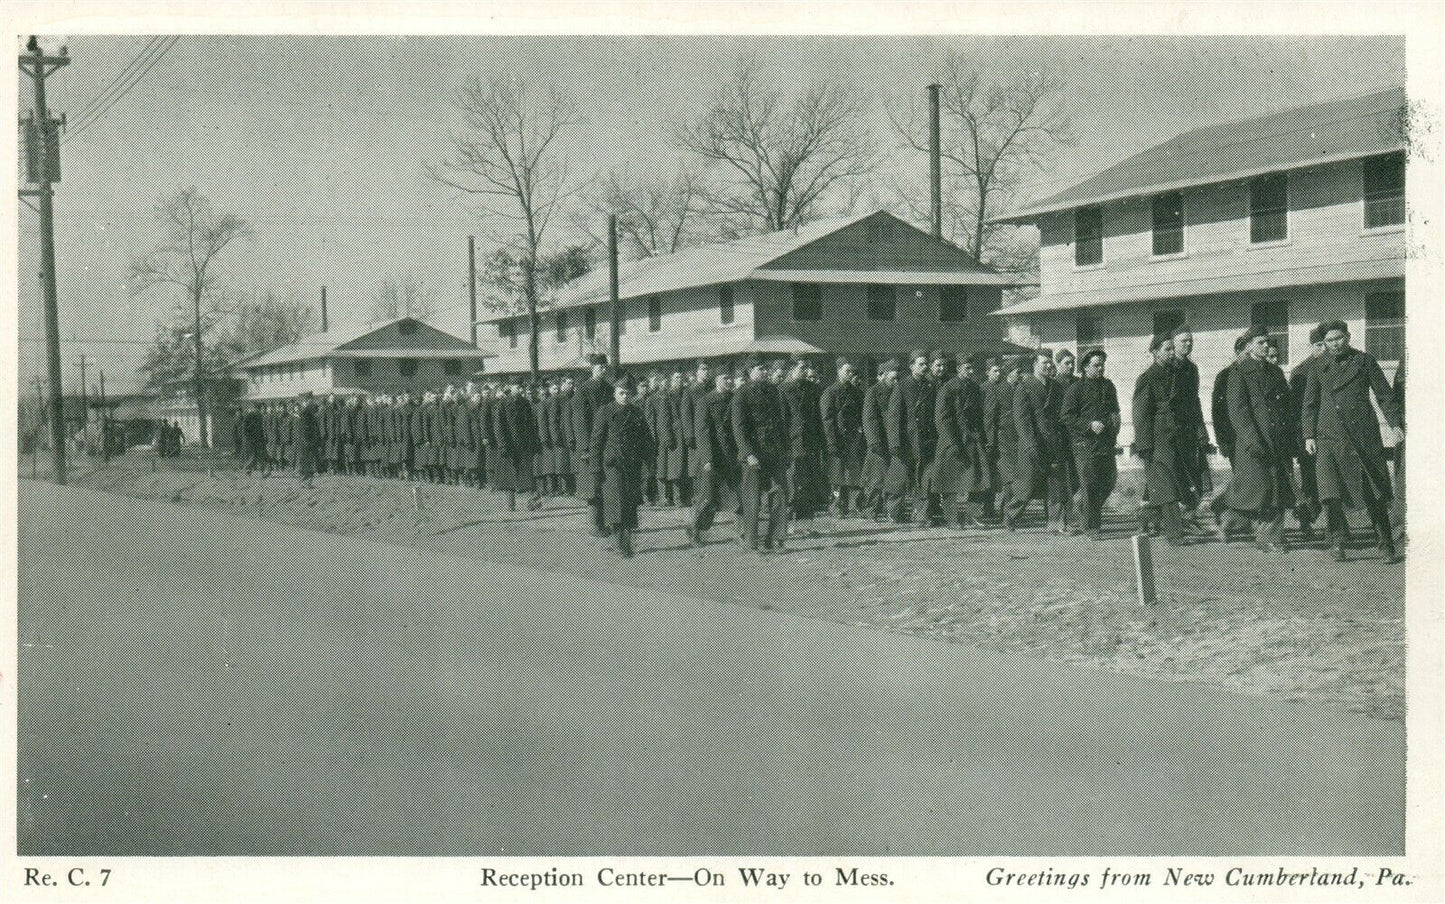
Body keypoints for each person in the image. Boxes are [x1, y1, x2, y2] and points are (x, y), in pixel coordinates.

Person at [1302, 320, 1403, 563]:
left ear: (1347, 337)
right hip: (1329, 436)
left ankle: (1386, 545)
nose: (1335, 344)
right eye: (1329, 340)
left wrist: (1395, 423)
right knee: (1330, 492)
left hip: (1362, 437)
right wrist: (1308, 435)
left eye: (1339, 338)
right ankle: (1337, 542)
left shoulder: (1364, 361)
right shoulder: (1317, 366)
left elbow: (1384, 395)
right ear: (1324, 343)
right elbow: (1310, 404)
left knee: (1373, 492)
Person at [1220, 325, 1295, 552]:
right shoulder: (1239, 372)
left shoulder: (1275, 372)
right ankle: (1227, 518)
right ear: (1249, 346)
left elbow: (1286, 407)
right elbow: (1238, 411)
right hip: (1254, 441)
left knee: (1276, 489)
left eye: (1267, 342)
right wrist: (1252, 440)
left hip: (1277, 441)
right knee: (1256, 490)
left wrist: (1289, 437)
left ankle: (1270, 537)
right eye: (1260, 342)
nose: (1265, 346)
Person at [1132, 333, 1192, 544]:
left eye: (1172, 348)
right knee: (1167, 487)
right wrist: (1144, 446)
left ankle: (1147, 514)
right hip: (1157, 440)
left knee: (1169, 484)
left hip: (1176, 438)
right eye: (1167, 349)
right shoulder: (1147, 378)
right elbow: (1140, 414)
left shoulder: (1177, 374)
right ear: (1155, 352)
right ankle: (1175, 534)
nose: (1172, 353)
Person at [1007, 352, 1075, 534]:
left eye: (1050, 363)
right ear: (1035, 364)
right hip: (1033, 442)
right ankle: (1010, 513)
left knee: (1056, 483)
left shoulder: (1056, 387)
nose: (1048, 366)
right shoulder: (1024, 387)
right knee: (1027, 485)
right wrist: (1030, 444)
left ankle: (1055, 523)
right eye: (1044, 362)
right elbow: (1021, 419)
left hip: (1053, 441)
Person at [590, 374, 655, 557]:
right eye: (621, 393)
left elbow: (647, 440)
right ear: (614, 393)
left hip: (632, 464)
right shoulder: (605, 412)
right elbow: (596, 442)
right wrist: (595, 468)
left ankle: (624, 543)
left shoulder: (636, 412)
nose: (625, 397)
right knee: (616, 503)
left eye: (628, 393)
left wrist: (650, 463)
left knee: (630, 503)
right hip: (613, 465)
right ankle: (621, 543)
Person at [732, 355, 790, 553]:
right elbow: (739, 428)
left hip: (774, 451)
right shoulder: (741, 394)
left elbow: (780, 423)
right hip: (753, 454)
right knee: (752, 498)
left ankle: (775, 539)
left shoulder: (773, 391)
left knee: (779, 493)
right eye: (760, 369)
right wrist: (748, 453)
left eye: (766, 368)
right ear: (750, 371)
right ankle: (750, 540)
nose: (765, 372)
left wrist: (786, 449)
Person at [1060, 348, 1120, 539]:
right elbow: (1066, 417)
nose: (1101, 368)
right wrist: (1089, 425)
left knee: (1109, 481)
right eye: (1096, 365)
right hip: (1084, 444)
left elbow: (1114, 412)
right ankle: (1092, 527)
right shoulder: (1075, 389)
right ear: (1085, 367)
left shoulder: (1108, 386)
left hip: (1105, 443)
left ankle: (1083, 507)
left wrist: (1112, 427)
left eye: (1102, 365)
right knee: (1090, 485)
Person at [933, 352, 990, 529]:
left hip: (972, 440)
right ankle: (952, 518)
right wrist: (952, 443)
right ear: (958, 369)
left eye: (972, 368)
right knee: (951, 483)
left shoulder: (974, 388)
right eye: (967, 368)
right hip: (953, 441)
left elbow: (979, 415)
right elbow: (942, 419)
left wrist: (981, 437)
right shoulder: (948, 389)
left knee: (976, 479)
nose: (971, 371)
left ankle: (972, 516)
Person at [885, 350, 938, 525]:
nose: (924, 367)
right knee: (898, 479)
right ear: (911, 366)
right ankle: (893, 511)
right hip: (906, 441)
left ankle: (921, 514)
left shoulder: (930, 386)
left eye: (926, 364)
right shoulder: (902, 386)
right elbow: (893, 417)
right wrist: (894, 443)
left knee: (923, 479)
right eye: (920, 364)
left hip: (925, 441)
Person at [687, 371, 738, 546]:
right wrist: (707, 458)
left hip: (731, 455)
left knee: (737, 494)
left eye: (731, 378)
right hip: (713, 456)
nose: (729, 381)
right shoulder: (705, 401)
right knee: (707, 496)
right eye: (725, 378)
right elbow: (702, 432)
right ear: (717, 380)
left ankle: (743, 532)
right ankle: (695, 529)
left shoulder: (734, 398)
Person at [1208, 335, 1251, 533]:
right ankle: (1224, 508)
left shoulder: (1254, 373)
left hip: (1252, 437)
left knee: (1248, 480)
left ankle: (1238, 518)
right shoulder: (1225, 376)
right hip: (1233, 439)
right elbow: (1218, 412)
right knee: (1244, 478)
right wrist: (1223, 441)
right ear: (1237, 353)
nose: (1249, 357)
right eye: (1246, 354)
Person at [1287, 326, 1327, 541]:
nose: (1324, 349)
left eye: (1325, 344)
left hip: (1330, 433)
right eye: (1319, 345)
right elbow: (1295, 410)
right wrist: (1303, 439)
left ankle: (1335, 525)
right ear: (1311, 346)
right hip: (1308, 436)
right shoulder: (1301, 371)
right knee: (1311, 482)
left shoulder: (1334, 365)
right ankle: (1304, 520)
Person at [1171, 326, 1212, 523]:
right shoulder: (1169, 367)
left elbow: (1194, 400)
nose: (1188, 344)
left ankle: (1187, 518)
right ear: (1174, 344)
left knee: (1193, 473)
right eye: (1183, 341)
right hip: (1172, 427)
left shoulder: (1192, 368)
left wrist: (1202, 430)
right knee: (1175, 475)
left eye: (1190, 341)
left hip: (1190, 427)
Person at [781, 355, 828, 529]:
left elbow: (819, 418)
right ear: (792, 369)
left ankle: (804, 525)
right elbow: (781, 420)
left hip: (811, 442)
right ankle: (784, 525)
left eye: (807, 368)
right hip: (793, 442)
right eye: (802, 368)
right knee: (792, 483)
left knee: (809, 484)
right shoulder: (783, 390)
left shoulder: (813, 389)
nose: (806, 371)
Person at [571, 354, 614, 534]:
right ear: (592, 369)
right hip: (590, 444)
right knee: (592, 485)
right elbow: (579, 421)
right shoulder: (583, 390)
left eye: (604, 367)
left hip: (607, 442)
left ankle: (605, 522)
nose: (602, 370)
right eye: (599, 367)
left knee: (606, 482)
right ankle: (595, 525)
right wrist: (584, 448)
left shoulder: (609, 388)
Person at [820, 357, 866, 518]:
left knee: (853, 473)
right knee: (837, 475)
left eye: (852, 371)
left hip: (853, 439)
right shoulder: (830, 393)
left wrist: (860, 434)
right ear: (839, 370)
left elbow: (861, 415)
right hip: (838, 439)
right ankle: (836, 507)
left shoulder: (856, 393)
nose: (850, 374)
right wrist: (831, 442)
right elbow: (827, 420)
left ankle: (853, 506)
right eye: (847, 371)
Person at [493, 380, 543, 512]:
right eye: (518, 387)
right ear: (511, 387)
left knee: (527, 474)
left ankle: (532, 502)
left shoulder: (525, 403)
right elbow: (498, 426)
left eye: (522, 387)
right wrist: (502, 445)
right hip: (509, 445)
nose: (520, 389)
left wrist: (534, 441)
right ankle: (510, 504)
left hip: (524, 444)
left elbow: (531, 424)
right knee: (509, 475)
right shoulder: (503, 404)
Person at [985, 357, 1024, 523]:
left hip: (1018, 439)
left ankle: (1006, 511)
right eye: (1018, 372)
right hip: (1003, 440)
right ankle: (1006, 513)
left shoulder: (1020, 389)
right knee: (1010, 476)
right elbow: (989, 418)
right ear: (1009, 373)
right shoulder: (998, 390)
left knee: (1015, 475)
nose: (1020, 375)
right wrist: (990, 442)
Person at [861, 359, 898, 521]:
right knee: (875, 478)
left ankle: (888, 510)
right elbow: (869, 418)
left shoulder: (897, 391)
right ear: (882, 375)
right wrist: (874, 441)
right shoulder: (873, 392)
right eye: (893, 378)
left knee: (890, 477)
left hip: (893, 441)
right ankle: (871, 510)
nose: (895, 382)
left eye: (897, 378)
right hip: (878, 441)